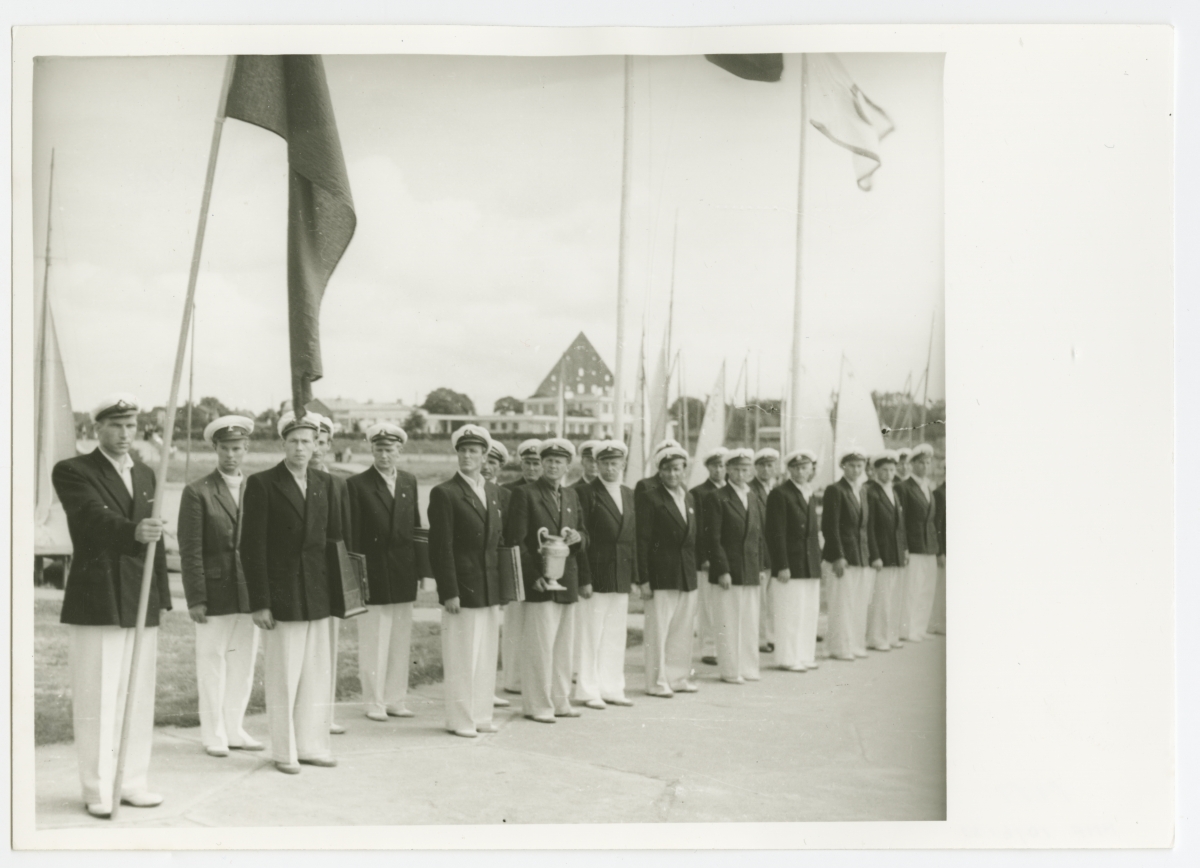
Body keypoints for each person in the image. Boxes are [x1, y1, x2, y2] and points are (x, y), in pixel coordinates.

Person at [52, 394, 171, 817]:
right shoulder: (73, 471)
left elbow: (154, 539)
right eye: (116, 426)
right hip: (98, 596)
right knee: (98, 695)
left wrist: (161, 596)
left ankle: (131, 780)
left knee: (136, 695)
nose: (125, 434)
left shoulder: (146, 473)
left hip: (139, 596)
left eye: (131, 426)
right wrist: (134, 531)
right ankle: (98, 786)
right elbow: (89, 519)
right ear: (95, 428)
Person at [242, 411, 343, 774]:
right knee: (285, 676)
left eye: (308, 441)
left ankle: (312, 745)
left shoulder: (326, 484)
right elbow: (252, 547)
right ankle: (285, 752)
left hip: (318, 594)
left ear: (318, 444)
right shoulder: (263, 484)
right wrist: (260, 602)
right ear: (283, 443)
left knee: (316, 674)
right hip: (282, 596)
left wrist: (340, 594)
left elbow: (334, 542)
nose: (301, 448)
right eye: (294, 441)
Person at [178, 414, 263, 759]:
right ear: (215, 448)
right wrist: (197, 597)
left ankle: (234, 728)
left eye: (238, 448)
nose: (231, 455)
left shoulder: (257, 489)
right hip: (214, 593)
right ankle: (213, 733)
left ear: (246, 449)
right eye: (225, 448)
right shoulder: (197, 491)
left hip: (249, 593)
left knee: (243, 664)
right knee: (212, 663)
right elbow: (191, 549)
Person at [428, 425, 507, 738]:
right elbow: (440, 547)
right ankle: (460, 719)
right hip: (462, 588)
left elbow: (498, 542)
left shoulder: (493, 492)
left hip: (489, 587)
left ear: (485, 456)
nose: (467, 456)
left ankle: (481, 715)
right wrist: (449, 591)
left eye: (473, 451)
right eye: (462, 450)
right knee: (462, 657)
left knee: (485, 656)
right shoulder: (445, 492)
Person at [507, 438, 589, 723]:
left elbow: (581, 532)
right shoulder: (526, 494)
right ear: (541, 464)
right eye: (549, 461)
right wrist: (533, 577)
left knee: (564, 647)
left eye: (560, 461)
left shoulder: (571, 495)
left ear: (568, 465)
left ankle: (560, 701)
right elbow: (516, 541)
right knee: (539, 647)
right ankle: (537, 705)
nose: (554, 466)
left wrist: (579, 539)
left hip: (567, 578)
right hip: (540, 582)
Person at [346, 423, 421, 722]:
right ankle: (374, 701)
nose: (384, 455)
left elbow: (414, 527)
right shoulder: (358, 484)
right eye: (379, 449)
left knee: (400, 640)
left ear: (400, 451)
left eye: (390, 450)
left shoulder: (409, 481)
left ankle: (395, 699)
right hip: (373, 571)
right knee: (375, 639)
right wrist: (356, 575)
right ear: (372, 450)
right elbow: (352, 534)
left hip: (403, 570)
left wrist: (419, 567)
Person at [573, 440, 637, 708]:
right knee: (591, 634)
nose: (611, 468)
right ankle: (588, 690)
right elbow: (582, 539)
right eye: (605, 463)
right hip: (596, 575)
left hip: (620, 573)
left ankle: (611, 687)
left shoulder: (629, 493)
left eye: (615, 463)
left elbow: (632, 537)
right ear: (596, 465)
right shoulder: (586, 494)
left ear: (623, 464)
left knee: (614, 634)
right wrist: (584, 579)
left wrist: (633, 575)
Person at [635, 443, 701, 696]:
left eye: (677, 468)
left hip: (686, 574)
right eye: (667, 469)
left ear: (684, 469)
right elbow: (642, 540)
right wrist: (643, 579)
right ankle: (656, 682)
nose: (673, 474)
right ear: (659, 471)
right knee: (658, 631)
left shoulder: (688, 496)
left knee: (682, 631)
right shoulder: (651, 497)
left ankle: (677, 678)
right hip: (661, 575)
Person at [708, 447, 766, 684]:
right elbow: (713, 538)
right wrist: (722, 570)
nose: (741, 474)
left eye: (745, 469)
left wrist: (760, 567)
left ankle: (749, 667)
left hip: (750, 568)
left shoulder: (752, 496)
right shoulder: (718, 497)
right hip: (729, 571)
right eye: (736, 470)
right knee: (729, 622)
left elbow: (757, 536)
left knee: (750, 622)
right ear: (728, 470)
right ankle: (731, 670)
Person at [312, 413, 353, 735]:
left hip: (330, 576)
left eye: (322, 442)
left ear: (329, 446)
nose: (316, 448)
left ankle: (324, 713)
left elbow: (345, 534)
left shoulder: (338, 483)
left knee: (328, 648)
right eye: (312, 441)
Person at [765, 449, 823, 672]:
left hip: (809, 564)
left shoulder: (808, 492)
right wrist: (782, 565)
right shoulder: (780, 494)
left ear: (811, 470)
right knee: (790, 613)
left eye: (805, 467)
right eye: (796, 468)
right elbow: (776, 533)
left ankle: (805, 655)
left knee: (808, 612)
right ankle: (788, 658)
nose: (801, 471)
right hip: (791, 565)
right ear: (789, 470)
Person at [499, 438, 541, 695]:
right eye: (527, 462)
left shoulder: (553, 489)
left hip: (542, 565)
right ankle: (512, 679)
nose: (532, 468)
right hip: (516, 563)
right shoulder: (509, 490)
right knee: (515, 623)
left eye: (537, 462)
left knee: (537, 625)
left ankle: (532, 676)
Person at [821, 450, 872, 662]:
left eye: (860, 466)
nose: (856, 470)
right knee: (842, 604)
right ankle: (839, 647)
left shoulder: (861, 491)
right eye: (852, 466)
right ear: (844, 467)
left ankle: (855, 644)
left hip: (860, 555)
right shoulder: (835, 490)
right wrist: (839, 556)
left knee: (858, 603)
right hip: (842, 557)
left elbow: (863, 527)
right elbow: (830, 526)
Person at [481, 438, 514, 708]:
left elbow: (508, 540)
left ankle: (487, 689)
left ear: (500, 467)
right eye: (485, 460)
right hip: (472, 575)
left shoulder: (505, 497)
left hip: (494, 575)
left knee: (492, 634)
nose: (486, 467)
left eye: (492, 462)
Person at [865, 452, 909, 652]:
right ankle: (877, 637)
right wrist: (875, 555)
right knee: (881, 599)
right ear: (875, 471)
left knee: (893, 598)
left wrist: (905, 549)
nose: (889, 474)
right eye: (884, 470)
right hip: (882, 554)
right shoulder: (871, 492)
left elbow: (900, 526)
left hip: (896, 553)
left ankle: (890, 635)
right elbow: (870, 527)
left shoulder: (894, 492)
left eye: (892, 470)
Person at [897, 442, 940, 642]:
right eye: (920, 462)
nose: (924, 466)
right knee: (911, 589)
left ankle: (920, 627)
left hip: (929, 546)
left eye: (927, 462)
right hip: (913, 546)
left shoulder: (928, 487)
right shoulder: (904, 487)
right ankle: (907, 629)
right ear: (912, 464)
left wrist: (937, 548)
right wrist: (904, 546)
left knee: (926, 589)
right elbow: (901, 522)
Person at [690, 446, 728, 666]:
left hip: (728, 556)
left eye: (722, 465)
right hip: (708, 558)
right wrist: (703, 557)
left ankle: (725, 646)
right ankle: (709, 647)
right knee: (707, 605)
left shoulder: (734, 491)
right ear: (708, 467)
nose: (719, 470)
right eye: (715, 466)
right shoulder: (699, 493)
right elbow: (701, 529)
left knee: (724, 605)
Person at [751, 447, 779, 653]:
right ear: (756, 468)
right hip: (760, 552)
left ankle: (772, 636)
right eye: (762, 466)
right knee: (759, 599)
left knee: (773, 599)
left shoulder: (776, 489)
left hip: (775, 553)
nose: (766, 470)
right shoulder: (751, 489)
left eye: (770, 466)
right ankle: (760, 639)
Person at [929, 475, 947, 635]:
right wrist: (940, 551)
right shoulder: (940, 493)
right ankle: (938, 624)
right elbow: (938, 525)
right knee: (942, 589)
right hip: (945, 551)